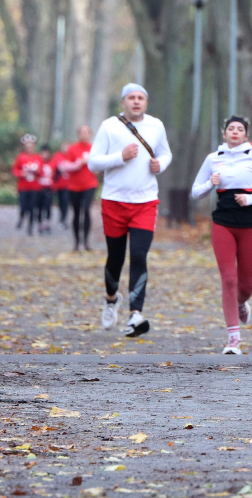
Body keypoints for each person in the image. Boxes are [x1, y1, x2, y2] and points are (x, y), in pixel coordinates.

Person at [191, 116, 252, 355]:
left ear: (245, 135)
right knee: (228, 280)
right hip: (223, 223)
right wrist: (210, 184)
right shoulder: (213, 159)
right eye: (231, 128)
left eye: (239, 129)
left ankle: (242, 302)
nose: (234, 132)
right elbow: (195, 192)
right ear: (224, 134)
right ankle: (233, 339)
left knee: (246, 285)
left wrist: (251, 198)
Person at [88, 83, 172, 337]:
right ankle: (112, 299)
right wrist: (120, 157)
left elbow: (166, 153)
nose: (136, 102)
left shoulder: (156, 126)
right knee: (115, 258)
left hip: (145, 202)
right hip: (114, 201)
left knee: (138, 255)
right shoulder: (109, 126)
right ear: (123, 102)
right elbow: (93, 162)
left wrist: (161, 165)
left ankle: (135, 315)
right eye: (131, 98)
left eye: (141, 98)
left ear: (145, 102)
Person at [62, 126, 100, 251]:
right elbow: (66, 166)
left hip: (90, 184)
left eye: (87, 132)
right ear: (78, 134)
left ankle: (86, 241)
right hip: (74, 185)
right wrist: (79, 163)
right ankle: (77, 241)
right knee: (77, 212)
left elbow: (99, 166)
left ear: (90, 134)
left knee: (87, 210)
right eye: (82, 132)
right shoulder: (73, 148)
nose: (84, 134)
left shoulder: (94, 148)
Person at [12, 134, 43, 236]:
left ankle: (30, 227)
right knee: (23, 205)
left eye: (31, 145)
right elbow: (15, 170)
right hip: (23, 187)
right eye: (27, 145)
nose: (29, 147)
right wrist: (21, 173)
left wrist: (37, 172)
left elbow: (42, 172)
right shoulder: (21, 157)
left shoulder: (38, 157)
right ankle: (21, 217)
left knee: (33, 207)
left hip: (35, 187)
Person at [51, 141, 71, 229]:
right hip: (58, 184)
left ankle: (64, 218)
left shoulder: (71, 156)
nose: (65, 148)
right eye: (64, 146)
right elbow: (53, 167)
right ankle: (61, 218)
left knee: (65, 202)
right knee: (60, 202)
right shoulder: (57, 155)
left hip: (69, 184)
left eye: (67, 146)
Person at [38, 145, 55, 234]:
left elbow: (57, 174)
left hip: (49, 188)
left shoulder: (52, 163)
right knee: (40, 207)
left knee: (48, 206)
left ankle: (47, 223)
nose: (45, 155)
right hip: (40, 188)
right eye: (43, 153)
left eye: (46, 153)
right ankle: (40, 224)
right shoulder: (38, 162)